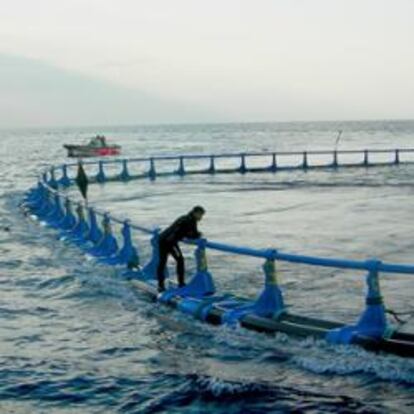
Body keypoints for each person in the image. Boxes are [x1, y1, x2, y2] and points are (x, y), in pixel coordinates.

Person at [157, 206, 205, 292]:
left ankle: (160, 286)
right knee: (180, 260)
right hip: (169, 242)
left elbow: (185, 232)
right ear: (195, 213)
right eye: (200, 215)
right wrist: (199, 234)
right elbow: (192, 234)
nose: (201, 217)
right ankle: (181, 284)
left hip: (162, 239)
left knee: (162, 262)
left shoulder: (184, 217)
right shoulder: (191, 221)